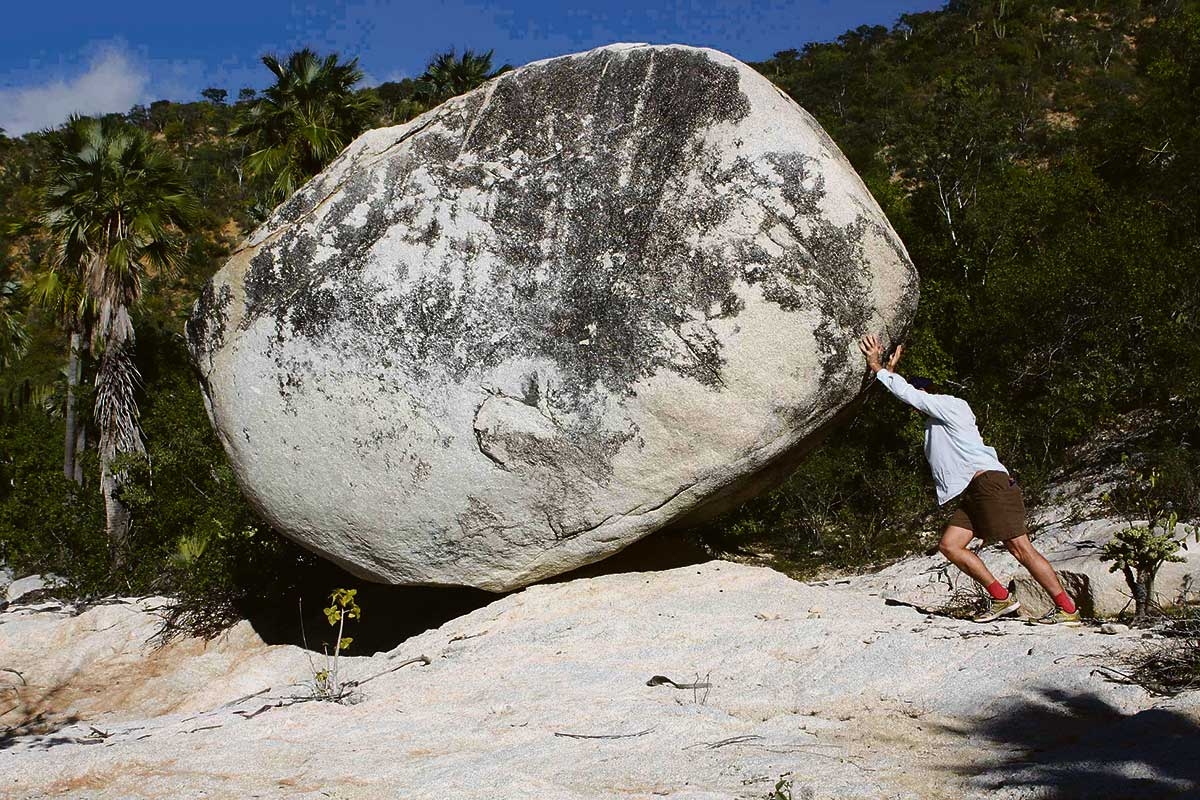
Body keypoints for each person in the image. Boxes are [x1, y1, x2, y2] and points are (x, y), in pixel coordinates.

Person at [858, 334, 1081, 625]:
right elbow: (911, 396)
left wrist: (878, 368)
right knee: (950, 546)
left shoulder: (951, 406)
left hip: (990, 484)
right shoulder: (935, 421)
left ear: (928, 393)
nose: (914, 405)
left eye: (919, 396)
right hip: (973, 490)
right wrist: (892, 373)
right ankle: (1001, 598)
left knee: (1020, 549)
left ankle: (1067, 609)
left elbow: (912, 395)